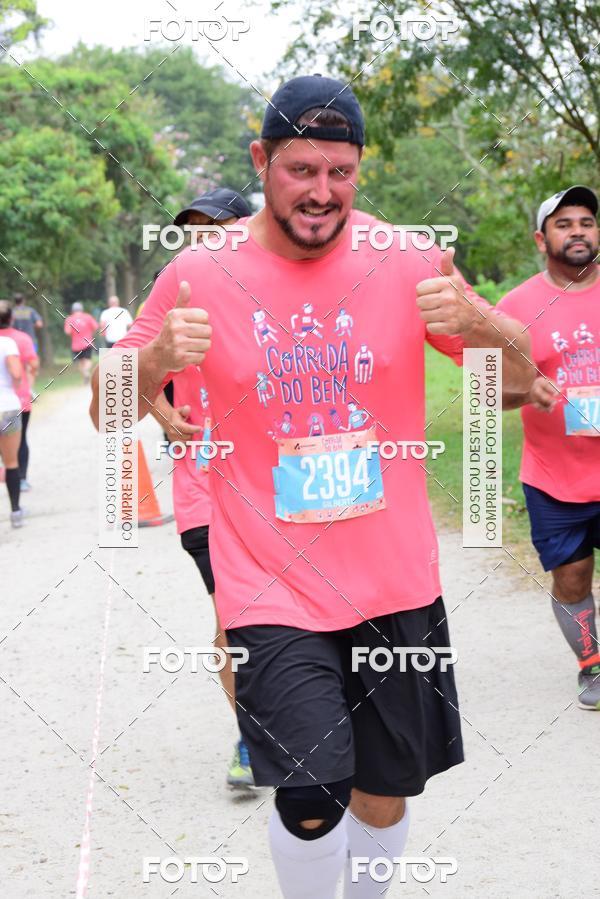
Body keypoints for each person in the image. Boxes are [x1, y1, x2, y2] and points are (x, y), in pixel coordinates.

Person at [91, 75, 532, 897]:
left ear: (360, 169)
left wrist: (488, 326)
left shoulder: (408, 259)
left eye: (340, 171)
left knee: (385, 791)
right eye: (301, 169)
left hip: (394, 581)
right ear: (262, 160)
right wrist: (152, 362)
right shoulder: (199, 273)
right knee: (309, 796)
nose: (322, 191)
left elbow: (514, 384)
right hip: (270, 585)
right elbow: (105, 412)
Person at [117, 189, 255, 788]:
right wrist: (163, 413)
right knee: (233, 622)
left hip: (287, 489)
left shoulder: (276, 290)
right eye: (193, 229)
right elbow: (125, 374)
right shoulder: (178, 293)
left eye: (217, 226)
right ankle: (255, 737)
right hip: (206, 492)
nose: (203, 238)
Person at [498, 185, 600, 710]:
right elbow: (483, 392)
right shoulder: (515, 307)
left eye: (586, 221)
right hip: (554, 478)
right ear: (542, 239)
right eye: (564, 224)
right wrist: (524, 391)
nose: (577, 230)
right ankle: (591, 664)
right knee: (572, 575)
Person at [1, 302, 39, 491]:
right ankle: (21, 478)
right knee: (21, 438)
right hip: (18, 399)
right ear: (12, 318)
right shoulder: (22, 339)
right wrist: (28, 383)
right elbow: (34, 365)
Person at [0, 302, 25, 527]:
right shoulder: (7, 343)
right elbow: (16, 372)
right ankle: (15, 512)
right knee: (11, 462)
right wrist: (15, 382)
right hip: (7, 406)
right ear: (10, 320)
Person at [64, 302, 98, 384]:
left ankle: (85, 375)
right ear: (81, 309)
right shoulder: (88, 317)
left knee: (80, 362)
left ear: (73, 310)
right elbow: (96, 327)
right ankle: (86, 372)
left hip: (76, 345)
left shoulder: (69, 319)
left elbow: (67, 332)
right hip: (88, 343)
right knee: (88, 360)